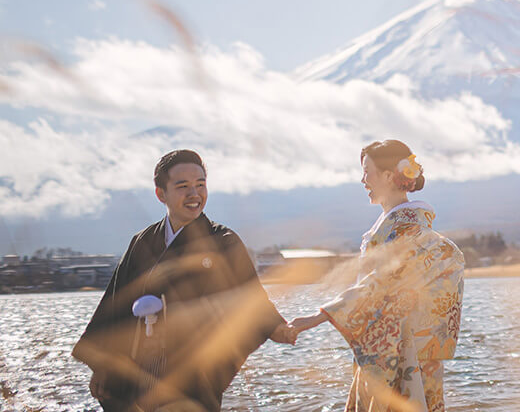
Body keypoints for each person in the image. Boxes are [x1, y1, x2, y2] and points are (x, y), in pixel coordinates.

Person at [72, 149, 295, 412]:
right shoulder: (143, 241)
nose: (195, 194)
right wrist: (102, 365)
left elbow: (250, 300)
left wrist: (277, 328)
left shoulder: (223, 242)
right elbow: (115, 305)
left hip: (191, 374)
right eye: (183, 186)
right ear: (161, 194)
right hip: (137, 369)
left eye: (201, 185)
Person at [291, 139, 465, 412]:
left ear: (387, 175)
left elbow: (381, 284)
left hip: (402, 353)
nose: (363, 180)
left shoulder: (407, 228)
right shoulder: (405, 226)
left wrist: (319, 316)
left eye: (366, 171)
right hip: (394, 349)